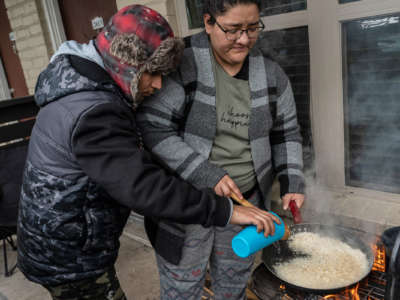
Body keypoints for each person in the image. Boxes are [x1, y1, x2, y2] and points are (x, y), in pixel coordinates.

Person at [17, 5, 278, 300]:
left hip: (66, 238)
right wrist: (226, 210)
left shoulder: (80, 80)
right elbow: (144, 187)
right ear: (125, 64)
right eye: (151, 73)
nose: (157, 84)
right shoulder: (94, 111)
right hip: (68, 254)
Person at [137, 0, 306, 299]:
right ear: (208, 22)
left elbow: (287, 132)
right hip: (187, 204)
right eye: (232, 30)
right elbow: (153, 127)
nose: (244, 39)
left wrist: (292, 181)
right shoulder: (181, 66)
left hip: (245, 203)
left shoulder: (271, 75)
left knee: (233, 285)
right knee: (182, 288)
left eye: (252, 28)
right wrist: (206, 173)